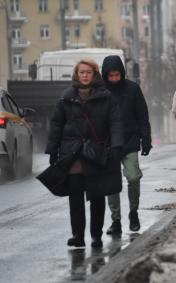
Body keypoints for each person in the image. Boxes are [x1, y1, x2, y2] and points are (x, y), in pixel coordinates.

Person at [45, 59, 123, 248]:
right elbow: (56, 125)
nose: (85, 75)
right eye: (82, 72)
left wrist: (116, 147)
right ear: (76, 74)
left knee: (97, 196)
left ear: (94, 74)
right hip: (73, 155)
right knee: (75, 197)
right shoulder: (66, 97)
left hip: (96, 153)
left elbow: (115, 122)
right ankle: (78, 236)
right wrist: (53, 150)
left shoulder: (106, 97)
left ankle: (96, 235)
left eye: (88, 72)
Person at [101, 55, 152, 235]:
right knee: (112, 184)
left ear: (122, 73)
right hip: (108, 145)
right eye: (111, 76)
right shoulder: (100, 92)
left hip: (130, 141)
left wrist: (146, 139)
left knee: (133, 178)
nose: (114, 79)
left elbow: (142, 116)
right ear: (105, 75)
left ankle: (133, 213)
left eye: (117, 75)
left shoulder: (133, 89)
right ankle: (116, 220)